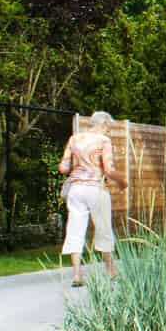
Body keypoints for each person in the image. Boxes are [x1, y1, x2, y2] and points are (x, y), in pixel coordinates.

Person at [57, 111, 124, 287]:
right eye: (109, 128)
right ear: (104, 125)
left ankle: (77, 275)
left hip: (76, 189)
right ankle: (111, 272)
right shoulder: (104, 141)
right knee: (103, 229)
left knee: (75, 229)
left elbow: (63, 168)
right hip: (96, 188)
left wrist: (79, 166)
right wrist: (123, 182)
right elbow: (108, 170)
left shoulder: (74, 139)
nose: (109, 131)